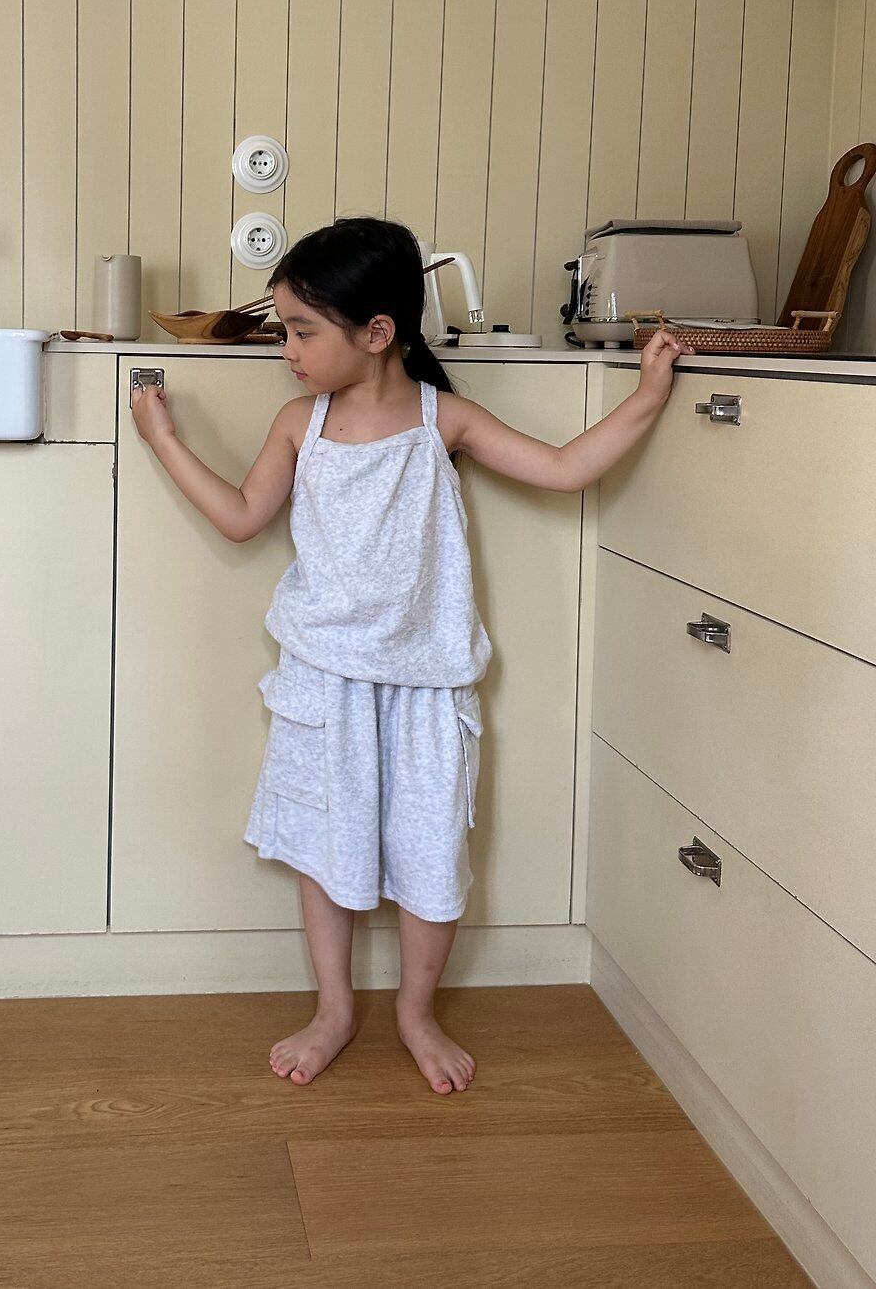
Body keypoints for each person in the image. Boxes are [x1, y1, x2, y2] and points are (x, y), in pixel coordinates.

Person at [129, 215, 693, 1095]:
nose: (288, 350)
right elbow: (242, 515)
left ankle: (416, 1012)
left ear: (378, 332)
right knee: (325, 852)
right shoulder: (300, 424)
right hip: (325, 682)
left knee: (432, 858)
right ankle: (334, 1009)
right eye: (284, 330)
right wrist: (166, 440)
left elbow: (564, 466)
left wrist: (650, 394)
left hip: (428, 687)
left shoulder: (443, 420)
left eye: (302, 331)